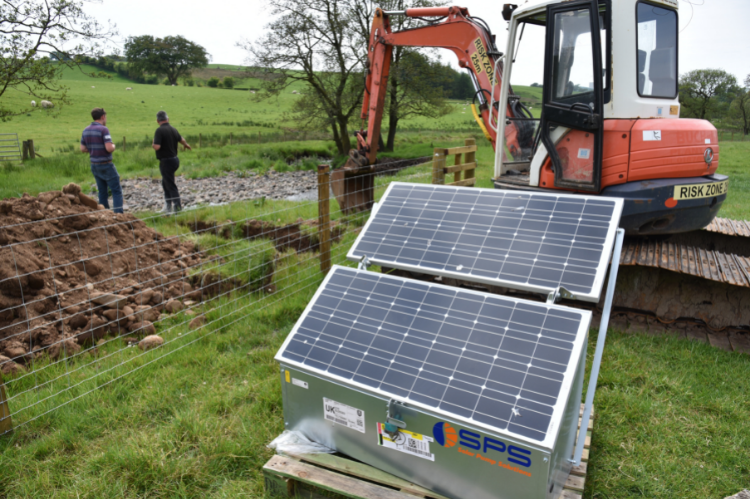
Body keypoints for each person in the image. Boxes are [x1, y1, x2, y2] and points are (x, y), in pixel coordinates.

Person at [80, 108, 123, 213]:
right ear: (103, 117)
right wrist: (113, 145)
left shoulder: (85, 130)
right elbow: (109, 148)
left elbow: (83, 149)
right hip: (106, 164)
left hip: (94, 164)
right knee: (116, 191)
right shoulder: (104, 129)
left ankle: (104, 214)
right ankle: (119, 216)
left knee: (102, 192)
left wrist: (93, 149)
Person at [152, 110, 191, 212]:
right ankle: (167, 207)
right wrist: (186, 145)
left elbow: (156, 147)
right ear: (167, 119)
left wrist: (153, 143)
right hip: (175, 160)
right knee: (166, 183)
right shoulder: (173, 129)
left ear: (157, 121)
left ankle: (177, 209)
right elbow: (181, 139)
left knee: (170, 184)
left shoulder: (159, 131)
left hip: (166, 161)